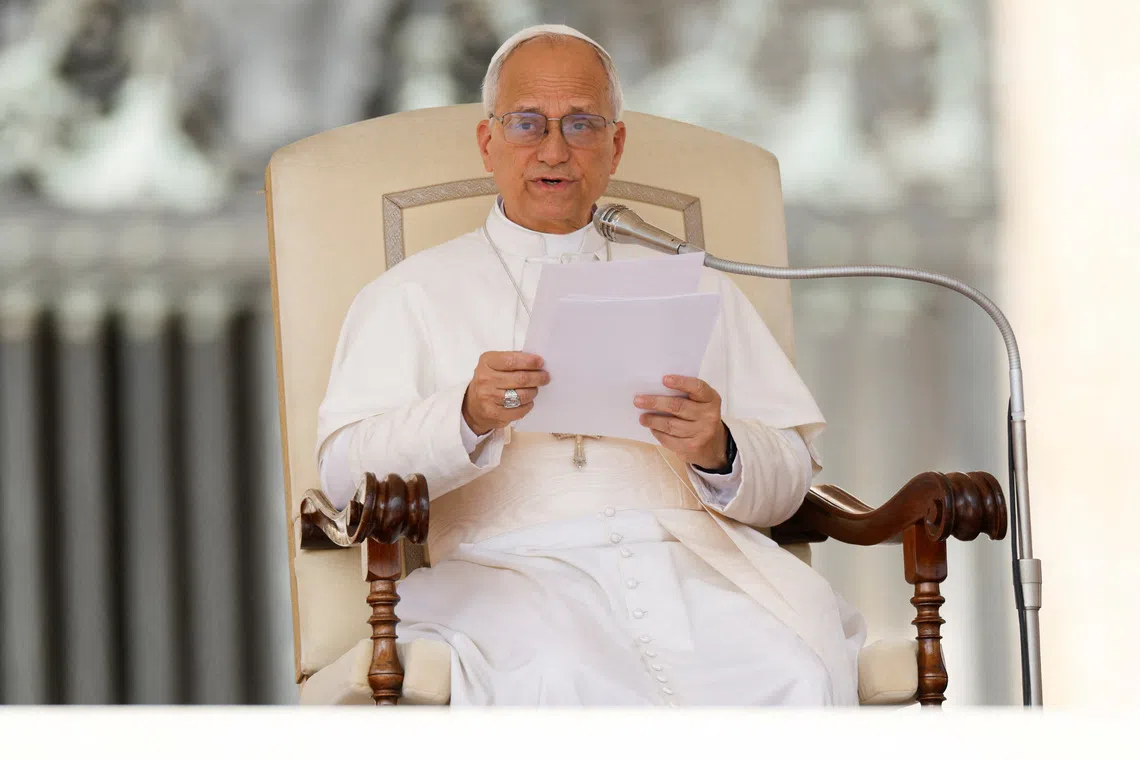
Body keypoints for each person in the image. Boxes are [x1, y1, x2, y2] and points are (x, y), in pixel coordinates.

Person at [316, 24, 865, 706]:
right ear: (488, 143)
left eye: (581, 124)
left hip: (698, 572)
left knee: (794, 670)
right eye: (527, 124)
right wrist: (464, 415)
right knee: (556, 676)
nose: (554, 149)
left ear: (615, 146)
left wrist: (719, 449)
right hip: (508, 575)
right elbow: (342, 477)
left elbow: (787, 482)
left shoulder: (696, 284)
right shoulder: (410, 293)